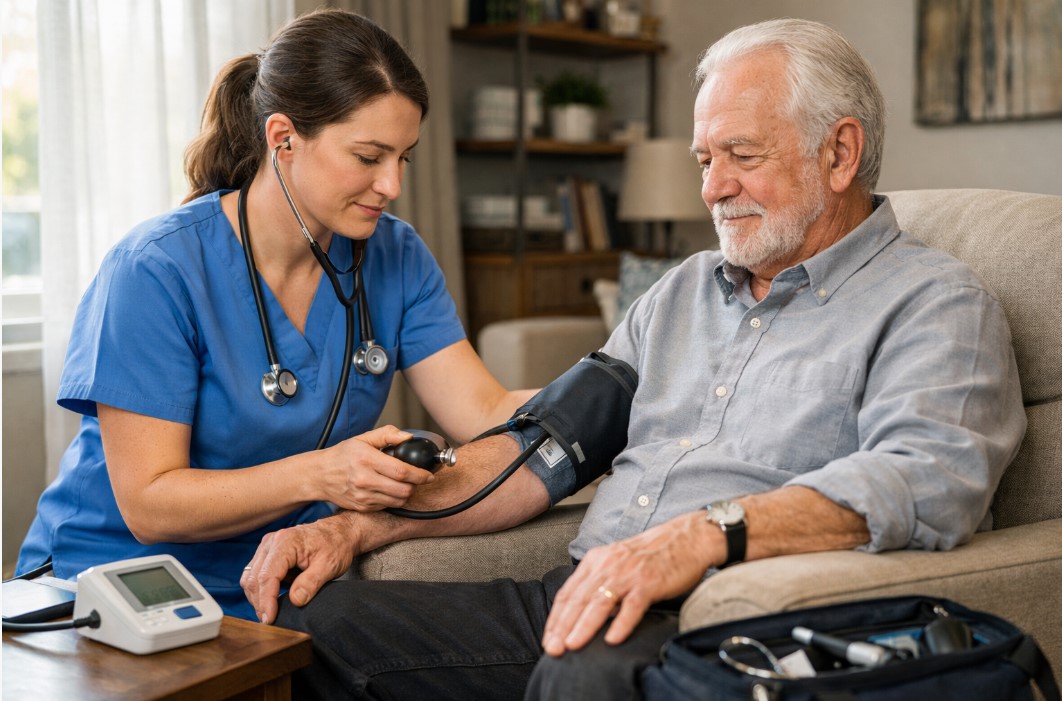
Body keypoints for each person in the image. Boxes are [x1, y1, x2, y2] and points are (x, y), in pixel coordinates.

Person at [241, 18, 1026, 699]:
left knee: (585, 671)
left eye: (740, 154)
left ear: (840, 152)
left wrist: (701, 536)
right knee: (306, 622)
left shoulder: (935, 304)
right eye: (703, 160)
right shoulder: (681, 295)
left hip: (729, 621)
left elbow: (926, 477)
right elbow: (538, 449)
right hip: (586, 591)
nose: (713, 188)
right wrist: (361, 526)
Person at [16, 8, 535, 620]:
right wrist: (322, 476)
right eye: (369, 157)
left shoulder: (396, 255)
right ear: (283, 138)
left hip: (282, 575)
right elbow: (149, 502)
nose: (392, 185)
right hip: (119, 585)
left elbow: (484, 412)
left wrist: (623, 385)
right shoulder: (155, 269)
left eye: (404, 158)